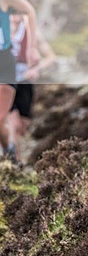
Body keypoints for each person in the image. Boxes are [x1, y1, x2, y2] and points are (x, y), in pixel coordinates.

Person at [4, 13, 56, 164]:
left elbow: (50, 57)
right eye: (12, 13)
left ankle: (12, 151)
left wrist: (36, 69)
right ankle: (15, 162)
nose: (15, 17)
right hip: (6, 82)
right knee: (14, 123)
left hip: (25, 82)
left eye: (18, 13)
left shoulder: (31, 32)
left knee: (22, 126)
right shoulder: (2, 31)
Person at [0, 0, 40, 162]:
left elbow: (29, 11)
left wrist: (32, 47)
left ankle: (9, 151)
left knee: (2, 119)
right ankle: (9, 154)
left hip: (4, 62)